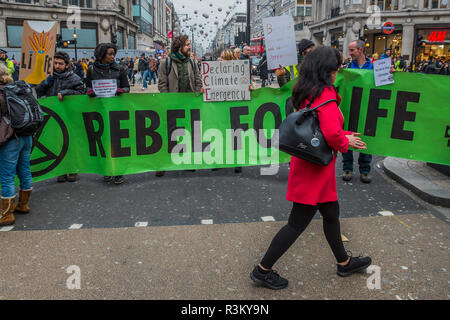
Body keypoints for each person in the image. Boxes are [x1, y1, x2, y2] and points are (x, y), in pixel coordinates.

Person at [249, 46, 372, 290]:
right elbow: (329, 133)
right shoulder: (326, 93)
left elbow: (316, 127)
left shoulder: (307, 90)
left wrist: (343, 135)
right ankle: (262, 270)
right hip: (314, 170)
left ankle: (344, 262)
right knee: (297, 223)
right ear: (328, 69)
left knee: (331, 214)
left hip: (313, 164)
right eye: (337, 66)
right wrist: (345, 140)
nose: (339, 70)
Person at [157, 35, 203, 177]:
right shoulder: (166, 62)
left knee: (188, 133)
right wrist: (168, 101)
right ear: (179, 47)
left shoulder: (192, 62)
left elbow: (198, 80)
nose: (190, 47)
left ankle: (187, 161)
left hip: (190, 104)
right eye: (188, 44)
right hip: (173, 105)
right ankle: (163, 163)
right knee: (169, 134)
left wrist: (196, 96)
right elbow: (162, 84)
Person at [35, 51, 85, 183]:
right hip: (55, 118)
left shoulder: (74, 78)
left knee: (71, 144)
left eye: (60, 64)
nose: (57, 66)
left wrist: (65, 93)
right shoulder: (49, 77)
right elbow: (39, 93)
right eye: (55, 63)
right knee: (58, 144)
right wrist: (45, 83)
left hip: (70, 116)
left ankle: (72, 169)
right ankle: (61, 170)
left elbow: (81, 92)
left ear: (67, 65)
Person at [86, 43, 130, 185]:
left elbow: (126, 87)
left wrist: (121, 91)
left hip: (116, 110)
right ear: (101, 55)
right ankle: (106, 169)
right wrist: (89, 92)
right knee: (103, 141)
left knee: (117, 142)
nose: (112, 57)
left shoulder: (120, 69)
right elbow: (87, 85)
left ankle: (118, 171)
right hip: (99, 110)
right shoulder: (91, 70)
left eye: (113, 54)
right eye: (110, 54)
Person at [0, 64, 34, 226]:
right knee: (24, 170)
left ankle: (7, 214)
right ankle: (23, 204)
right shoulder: (17, 88)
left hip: (10, 138)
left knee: (6, 175)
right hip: (26, 135)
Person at [342, 39, 374, 183]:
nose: (350, 53)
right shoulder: (347, 68)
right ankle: (347, 168)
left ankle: (365, 170)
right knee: (347, 137)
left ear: (360, 50)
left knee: (366, 139)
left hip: (368, 109)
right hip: (351, 109)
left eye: (352, 50)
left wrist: (390, 74)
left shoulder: (374, 67)